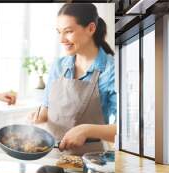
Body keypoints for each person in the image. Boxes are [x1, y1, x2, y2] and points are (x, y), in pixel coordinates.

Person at [29, 3, 116, 156]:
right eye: (59, 32)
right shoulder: (58, 65)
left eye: (68, 32)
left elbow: (127, 131)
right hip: (52, 156)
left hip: (90, 162)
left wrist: (86, 130)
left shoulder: (112, 70)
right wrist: (36, 117)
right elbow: (45, 112)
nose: (61, 39)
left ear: (91, 28)